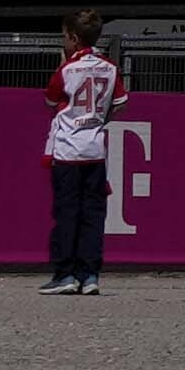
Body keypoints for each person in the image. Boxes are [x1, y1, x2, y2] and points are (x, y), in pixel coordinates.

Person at [45, 20, 133, 291]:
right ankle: (90, 275)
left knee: (67, 213)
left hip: (68, 150)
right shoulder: (109, 67)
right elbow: (121, 102)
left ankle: (65, 274)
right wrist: (98, 119)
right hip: (95, 149)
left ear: (73, 37)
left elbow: (50, 100)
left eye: (64, 36)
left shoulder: (67, 68)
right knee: (93, 215)